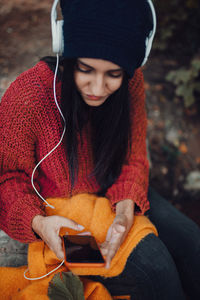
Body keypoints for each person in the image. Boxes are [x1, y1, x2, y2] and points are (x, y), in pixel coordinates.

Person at [0, 0, 199, 299]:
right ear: (66, 50)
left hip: (115, 190)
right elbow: (6, 178)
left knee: (192, 242)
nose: (97, 87)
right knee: (156, 267)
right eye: (86, 69)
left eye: (113, 74)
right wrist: (38, 222)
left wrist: (124, 210)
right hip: (61, 207)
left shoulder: (132, 83)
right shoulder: (29, 96)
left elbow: (133, 156)